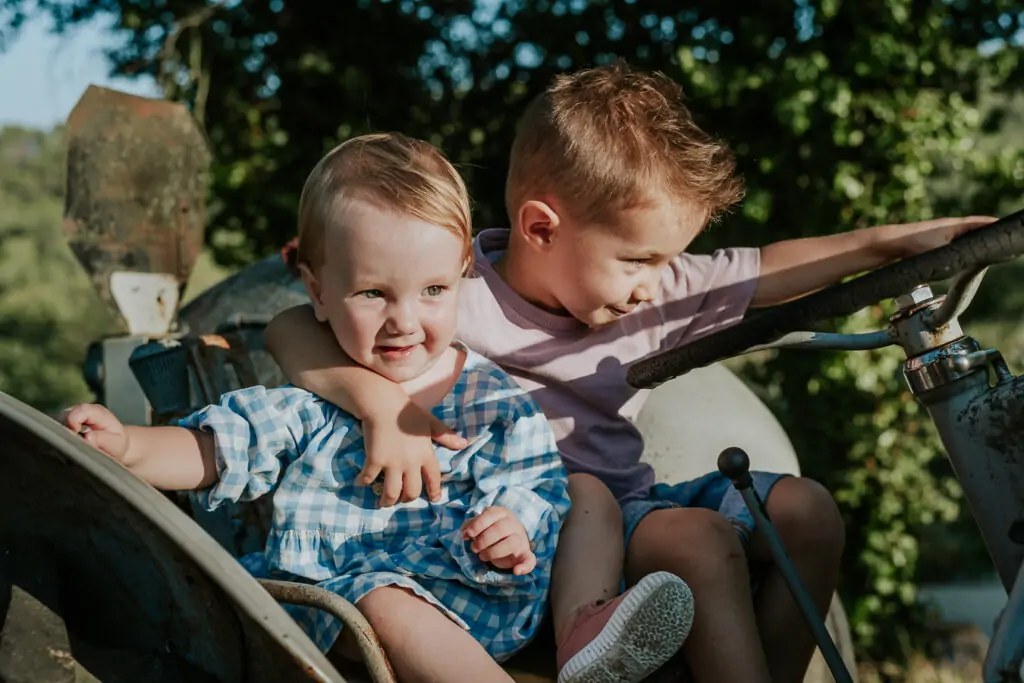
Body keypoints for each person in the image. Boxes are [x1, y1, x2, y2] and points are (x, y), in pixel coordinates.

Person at [263, 63, 995, 683]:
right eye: (638, 260)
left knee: (808, 512)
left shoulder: (655, 291)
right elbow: (292, 325)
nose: (656, 283)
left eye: (666, 260)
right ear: (542, 227)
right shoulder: (457, 294)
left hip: (623, 511)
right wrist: (381, 405)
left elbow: (770, 268)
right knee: (701, 540)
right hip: (503, 527)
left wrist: (896, 241)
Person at [62, 132, 604, 683]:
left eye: (433, 290)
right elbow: (219, 448)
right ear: (317, 293)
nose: (404, 320)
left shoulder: (494, 399)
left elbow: (539, 488)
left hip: (481, 604)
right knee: (382, 601)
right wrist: (127, 446)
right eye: (373, 294)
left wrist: (511, 526)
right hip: (346, 606)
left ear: (464, 273)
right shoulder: (313, 405)